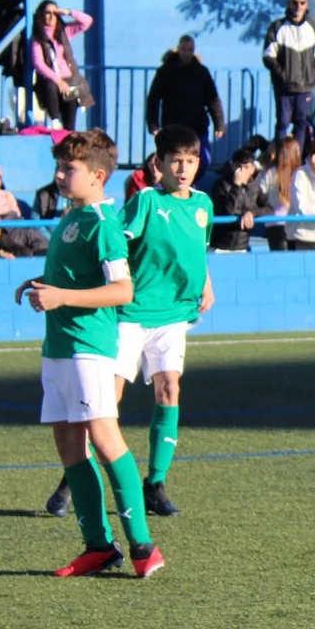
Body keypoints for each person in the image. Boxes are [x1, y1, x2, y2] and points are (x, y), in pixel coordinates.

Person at [15, 129, 161, 578]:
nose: (59, 175)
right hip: (58, 345)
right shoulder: (70, 217)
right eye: (58, 167)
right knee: (67, 442)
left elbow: (122, 289)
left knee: (103, 437)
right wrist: (42, 283)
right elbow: (72, 277)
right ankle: (98, 545)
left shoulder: (104, 223)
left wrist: (61, 297)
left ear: (98, 175)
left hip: (88, 347)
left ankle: (143, 546)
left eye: (68, 169)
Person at [102, 124, 215, 519]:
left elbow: (198, 247)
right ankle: (78, 474)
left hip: (174, 316)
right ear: (159, 163)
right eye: (176, 161)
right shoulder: (145, 201)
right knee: (107, 399)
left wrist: (207, 283)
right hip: (132, 314)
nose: (184, 169)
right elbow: (115, 243)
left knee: (170, 389)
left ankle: (155, 482)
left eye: (191, 160)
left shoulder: (203, 203)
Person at [145, 36, 226, 162]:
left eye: (190, 50)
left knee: (203, 160)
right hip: (174, 125)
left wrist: (219, 124)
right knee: (175, 159)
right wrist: (153, 125)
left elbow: (213, 99)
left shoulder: (201, 72)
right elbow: (153, 99)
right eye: (184, 49)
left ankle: (192, 181)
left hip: (197, 126)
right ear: (178, 49)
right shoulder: (166, 71)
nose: (187, 53)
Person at [263, 0, 315, 148]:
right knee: (283, 123)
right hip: (284, 88)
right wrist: (283, 76)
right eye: (295, 2)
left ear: (307, 5)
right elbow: (268, 56)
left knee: (301, 123)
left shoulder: (311, 27)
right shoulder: (277, 27)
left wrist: (312, 75)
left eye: (302, 2)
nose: (298, 6)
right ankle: (281, 160)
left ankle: (296, 161)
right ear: (288, 3)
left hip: (305, 88)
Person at [30, 0, 92, 130]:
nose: (52, 16)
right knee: (50, 85)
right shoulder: (38, 38)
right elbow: (38, 63)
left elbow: (87, 21)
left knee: (70, 125)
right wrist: (58, 81)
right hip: (52, 82)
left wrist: (67, 12)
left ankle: (68, 140)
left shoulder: (65, 32)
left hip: (70, 82)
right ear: (41, 15)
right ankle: (55, 120)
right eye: (48, 13)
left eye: (55, 13)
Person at [209, 147, 272, 253]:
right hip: (220, 246)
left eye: (246, 167)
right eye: (238, 167)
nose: (241, 171)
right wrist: (236, 186)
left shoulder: (256, 188)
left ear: (252, 169)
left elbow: (269, 208)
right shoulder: (222, 185)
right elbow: (228, 211)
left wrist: (252, 213)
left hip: (241, 247)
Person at [259, 137, 301, 251]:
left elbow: (260, 197)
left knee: (281, 264)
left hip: (274, 223)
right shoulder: (301, 174)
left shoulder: (269, 173)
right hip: (297, 224)